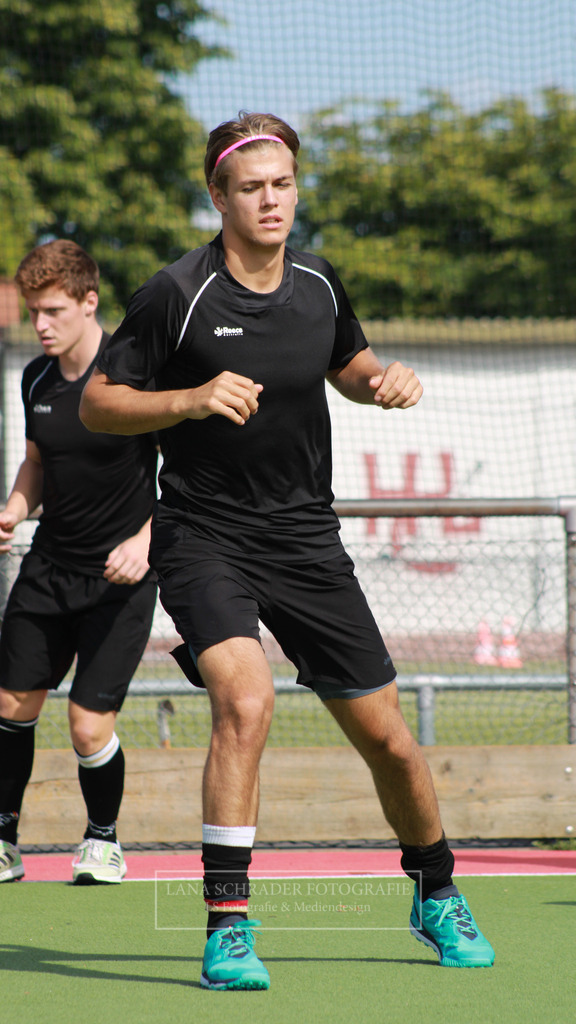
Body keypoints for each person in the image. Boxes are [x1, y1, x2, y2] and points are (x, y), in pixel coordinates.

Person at [80, 112, 494, 987]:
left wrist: (383, 382)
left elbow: (350, 365)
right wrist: (189, 399)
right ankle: (228, 925)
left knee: (390, 741)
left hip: (307, 540)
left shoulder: (319, 283)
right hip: (203, 535)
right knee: (246, 700)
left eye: (283, 185)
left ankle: (436, 890)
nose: (271, 201)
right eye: (251, 188)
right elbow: (100, 403)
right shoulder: (174, 293)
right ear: (218, 196)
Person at [0, 240, 158, 885]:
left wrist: (145, 542)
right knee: (10, 703)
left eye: (54, 311)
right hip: (48, 568)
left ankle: (102, 841)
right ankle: (4, 843)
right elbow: (37, 462)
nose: (40, 324)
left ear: (89, 302)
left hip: (121, 579)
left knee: (88, 727)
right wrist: (14, 509)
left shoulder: (136, 374)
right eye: (33, 311)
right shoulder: (34, 378)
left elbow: (190, 476)